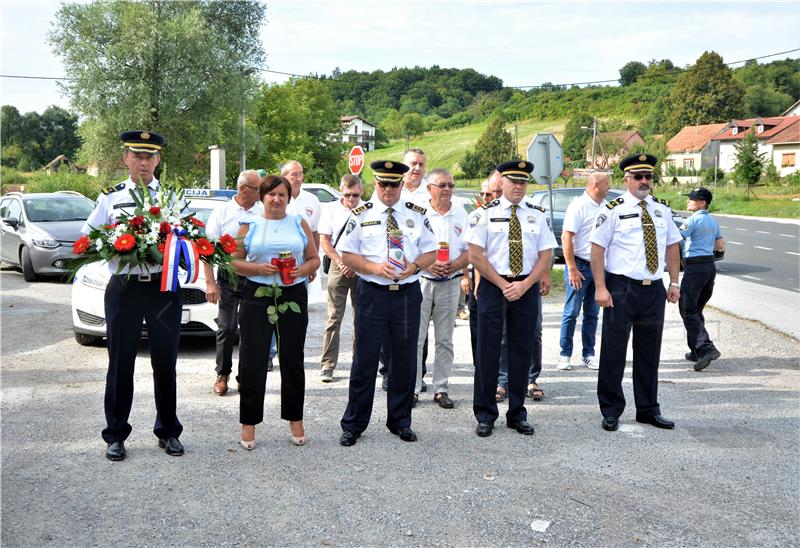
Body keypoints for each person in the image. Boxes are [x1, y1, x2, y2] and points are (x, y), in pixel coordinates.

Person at [83, 130, 184, 461]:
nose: (144, 162)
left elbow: (186, 238)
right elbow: (90, 236)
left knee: (165, 362)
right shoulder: (111, 197)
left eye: (150, 156)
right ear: (126, 158)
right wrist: (116, 244)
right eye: (137, 156)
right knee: (120, 362)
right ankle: (115, 434)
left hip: (161, 288)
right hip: (124, 288)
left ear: (158, 160)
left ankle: (168, 431)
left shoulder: (170, 197)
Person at [338, 160, 437, 446]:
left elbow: (431, 252)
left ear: (402, 184)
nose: (389, 190)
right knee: (365, 360)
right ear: (375, 183)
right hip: (373, 293)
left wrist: (415, 267)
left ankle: (400, 421)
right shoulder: (361, 213)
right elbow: (347, 255)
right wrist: (373, 268)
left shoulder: (417, 214)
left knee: (405, 361)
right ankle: (354, 424)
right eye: (383, 184)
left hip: (406, 293)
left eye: (394, 184)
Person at [590, 153, 682, 432]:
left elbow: (672, 246)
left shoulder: (661, 210)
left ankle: (648, 409)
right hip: (621, 287)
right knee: (614, 351)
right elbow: (597, 249)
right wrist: (601, 287)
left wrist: (674, 282)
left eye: (648, 176)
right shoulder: (613, 209)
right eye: (639, 177)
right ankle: (611, 409)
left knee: (649, 352)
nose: (644, 181)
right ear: (626, 179)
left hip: (653, 289)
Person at [467, 161, 556, 438]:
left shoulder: (536, 215)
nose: (518, 186)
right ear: (501, 182)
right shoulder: (485, 214)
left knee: (521, 352)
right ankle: (485, 414)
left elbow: (546, 255)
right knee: (488, 351)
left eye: (523, 182)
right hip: (495, 286)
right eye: (513, 181)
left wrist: (525, 284)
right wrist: (504, 284)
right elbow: (475, 255)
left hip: (525, 287)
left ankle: (517, 413)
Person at [231, 175, 320, 449]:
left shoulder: (298, 222)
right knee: (252, 361)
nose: (276, 199)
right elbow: (233, 262)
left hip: (292, 294)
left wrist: (301, 271)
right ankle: (249, 424)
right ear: (262, 197)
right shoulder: (249, 225)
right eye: (271, 194)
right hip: (256, 296)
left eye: (282, 194)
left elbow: (314, 259)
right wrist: (257, 269)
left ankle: (296, 420)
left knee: (292, 359)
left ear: (289, 198)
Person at [204, 170, 264, 396]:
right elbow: (207, 250)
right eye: (257, 189)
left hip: (255, 277)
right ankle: (223, 373)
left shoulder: (263, 211)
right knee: (227, 327)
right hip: (229, 276)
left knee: (250, 329)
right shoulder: (222, 212)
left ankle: (245, 376)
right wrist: (210, 283)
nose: (261, 193)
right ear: (243, 189)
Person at [414, 168, 470, 408]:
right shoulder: (418, 212)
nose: (447, 189)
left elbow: (470, 249)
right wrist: (428, 266)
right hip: (422, 281)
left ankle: (441, 388)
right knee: (416, 339)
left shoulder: (461, 213)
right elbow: (410, 248)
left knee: (445, 340)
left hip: (450, 282)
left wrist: (456, 265)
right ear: (429, 189)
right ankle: (413, 388)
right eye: (442, 185)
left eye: (450, 185)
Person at [557, 172, 610, 371]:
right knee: (571, 312)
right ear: (596, 185)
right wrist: (571, 267)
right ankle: (565, 354)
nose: (609, 187)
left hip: (598, 267)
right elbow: (566, 237)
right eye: (607, 183)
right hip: (579, 266)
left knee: (592, 313)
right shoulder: (578, 206)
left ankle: (588, 353)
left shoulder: (605, 207)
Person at [318, 174, 364, 382]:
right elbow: (325, 241)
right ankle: (328, 364)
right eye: (347, 195)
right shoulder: (331, 210)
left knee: (361, 318)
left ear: (361, 193)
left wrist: (357, 264)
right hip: (339, 265)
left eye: (355, 195)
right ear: (341, 192)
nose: (351, 200)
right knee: (334, 318)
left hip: (361, 266)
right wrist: (341, 262)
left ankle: (359, 362)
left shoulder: (368, 209)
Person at [679, 187, 724, 371]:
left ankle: (706, 348)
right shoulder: (713, 221)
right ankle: (696, 350)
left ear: (702, 203)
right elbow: (720, 246)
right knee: (696, 310)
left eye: (692, 199)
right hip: (709, 266)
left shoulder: (692, 220)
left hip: (695, 267)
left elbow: (676, 237)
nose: (688, 201)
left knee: (687, 309)